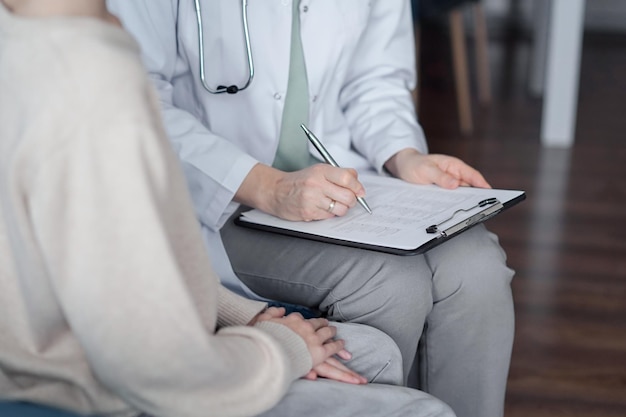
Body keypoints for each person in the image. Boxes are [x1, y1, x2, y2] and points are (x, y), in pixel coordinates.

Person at [0, 1, 457, 416]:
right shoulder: (91, 84)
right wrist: (279, 347)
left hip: (126, 344)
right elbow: (154, 369)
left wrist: (241, 315)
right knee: (414, 392)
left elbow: (108, 259)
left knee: (388, 336)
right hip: (102, 385)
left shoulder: (33, 44)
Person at [106, 1, 515, 416]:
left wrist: (402, 154)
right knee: (392, 284)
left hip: (346, 179)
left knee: (477, 266)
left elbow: (375, 78)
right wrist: (267, 186)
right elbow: (135, 100)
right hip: (216, 199)